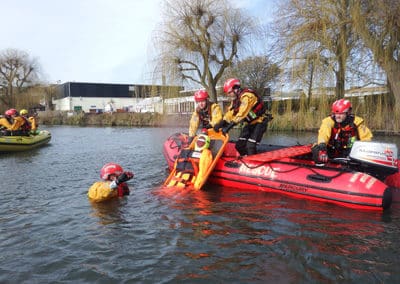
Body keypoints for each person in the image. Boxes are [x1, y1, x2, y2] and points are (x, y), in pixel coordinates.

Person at [214, 78, 270, 156]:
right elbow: (230, 113)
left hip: (259, 122)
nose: (229, 95)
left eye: (229, 92)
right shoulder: (235, 100)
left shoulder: (247, 96)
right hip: (250, 124)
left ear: (235, 88)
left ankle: (253, 163)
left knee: (250, 146)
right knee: (239, 146)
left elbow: (242, 113)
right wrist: (221, 123)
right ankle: (245, 159)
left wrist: (229, 127)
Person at [312, 98, 373, 164]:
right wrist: (322, 146)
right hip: (330, 150)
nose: (337, 116)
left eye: (341, 114)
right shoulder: (328, 121)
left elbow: (366, 139)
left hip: (348, 151)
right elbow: (323, 135)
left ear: (348, 112)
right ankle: (321, 165)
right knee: (316, 148)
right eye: (335, 113)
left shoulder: (357, 122)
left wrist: (365, 151)